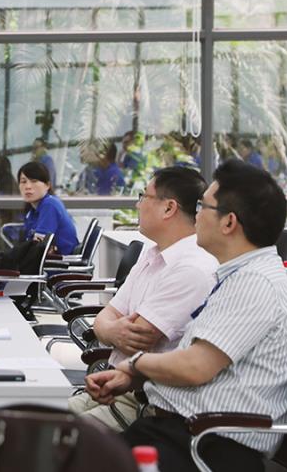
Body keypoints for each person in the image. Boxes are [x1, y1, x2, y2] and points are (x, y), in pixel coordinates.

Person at [86, 159, 287, 472]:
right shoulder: (237, 276)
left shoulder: (256, 283)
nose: (195, 214)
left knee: (62, 455)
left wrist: (134, 365)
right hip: (182, 435)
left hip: (206, 448)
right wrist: (132, 376)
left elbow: (194, 367)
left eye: (203, 206)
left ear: (228, 222)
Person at [69, 166, 218, 430]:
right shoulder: (153, 254)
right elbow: (106, 317)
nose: (138, 205)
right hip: (115, 387)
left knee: (45, 437)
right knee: (33, 417)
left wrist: (109, 328)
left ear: (168, 208)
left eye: (143, 196)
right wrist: (111, 329)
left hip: (141, 404)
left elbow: (135, 338)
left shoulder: (192, 268)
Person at [18, 161, 78, 255]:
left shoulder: (50, 205)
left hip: (59, 261)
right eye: (23, 182)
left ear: (47, 185)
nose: (28, 186)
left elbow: (38, 245)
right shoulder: (33, 210)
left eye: (34, 181)